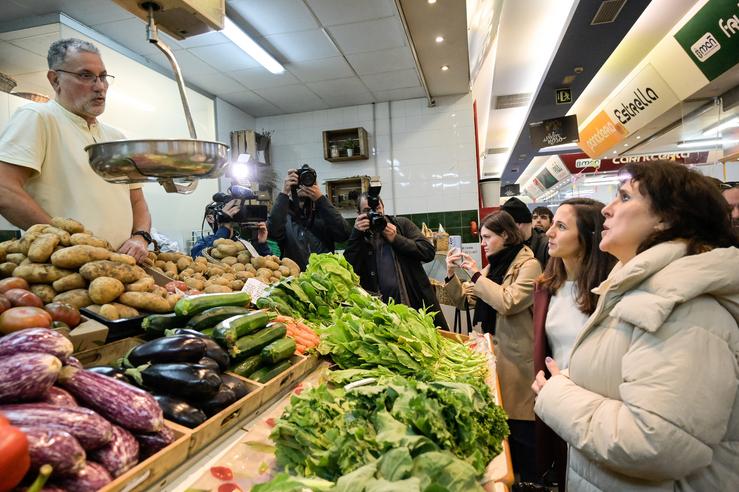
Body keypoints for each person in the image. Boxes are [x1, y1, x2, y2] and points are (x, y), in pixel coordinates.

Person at [532, 160, 739, 491]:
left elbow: (657, 442)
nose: (607, 210)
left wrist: (558, 394)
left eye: (625, 198)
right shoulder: (636, 291)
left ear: (666, 219)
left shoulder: (686, 309)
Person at [0, 38, 152, 263]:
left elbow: (137, 202)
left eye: (102, 76)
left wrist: (141, 237)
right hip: (61, 268)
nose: (99, 86)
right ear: (55, 79)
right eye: (85, 75)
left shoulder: (116, 138)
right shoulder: (38, 117)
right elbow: (5, 190)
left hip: (120, 269)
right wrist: (66, 243)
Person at [445, 211, 542, 483]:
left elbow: (508, 302)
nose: (484, 242)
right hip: (495, 355)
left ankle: (533, 482)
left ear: (506, 235)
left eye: (488, 237)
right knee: (506, 429)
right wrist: (452, 274)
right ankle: (516, 480)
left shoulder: (529, 265)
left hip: (517, 359)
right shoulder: (494, 267)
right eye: (482, 237)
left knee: (522, 429)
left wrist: (476, 274)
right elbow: (465, 301)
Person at [532, 198, 615, 490]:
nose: (549, 232)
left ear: (587, 237)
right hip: (557, 403)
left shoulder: (609, 290)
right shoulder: (545, 287)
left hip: (597, 411)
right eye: (552, 224)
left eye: (561, 226)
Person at [343, 193, 448, 329]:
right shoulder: (359, 236)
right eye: (367, 211)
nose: (374, 213)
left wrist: (396, 239)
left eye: (377, 208)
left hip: (412, 305)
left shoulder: (401, 225)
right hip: (378, 313)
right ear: (359, 214)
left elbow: (428, 252)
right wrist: (356, 234)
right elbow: (347, 269)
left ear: (383, 207)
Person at [268, 168, 350, 271]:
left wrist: (321, 199)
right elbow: (272, 233)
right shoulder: (284, 215)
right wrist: (284, 193)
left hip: (324, 278)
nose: (302, 185)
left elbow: (344, 234)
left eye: (307, 180)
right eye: (299, 182)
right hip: (295, 278)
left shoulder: (324, 213)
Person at [191, 199, 270, 259]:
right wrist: (224, 229)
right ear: (210, 218)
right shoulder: (203, 242)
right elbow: (197, 260)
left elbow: (267, 267)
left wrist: (261, 244)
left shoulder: (243, 244)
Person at [501, 197, 549, 267]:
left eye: (507, 227)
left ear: (518, 224)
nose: (504, 233)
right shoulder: (508, 244)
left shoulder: (546, 246)